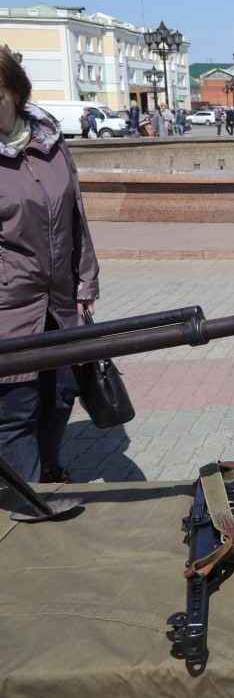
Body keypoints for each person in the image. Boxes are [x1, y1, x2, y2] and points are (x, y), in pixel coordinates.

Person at [0, 47, 100, 483]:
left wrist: (85, 283)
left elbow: (76, 215)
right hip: (8, 304)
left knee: (61, 393)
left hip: (59, 300)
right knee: (15, 409)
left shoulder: (50, 141)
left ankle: (47, 469)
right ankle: (26, 499)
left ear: (15, 92)